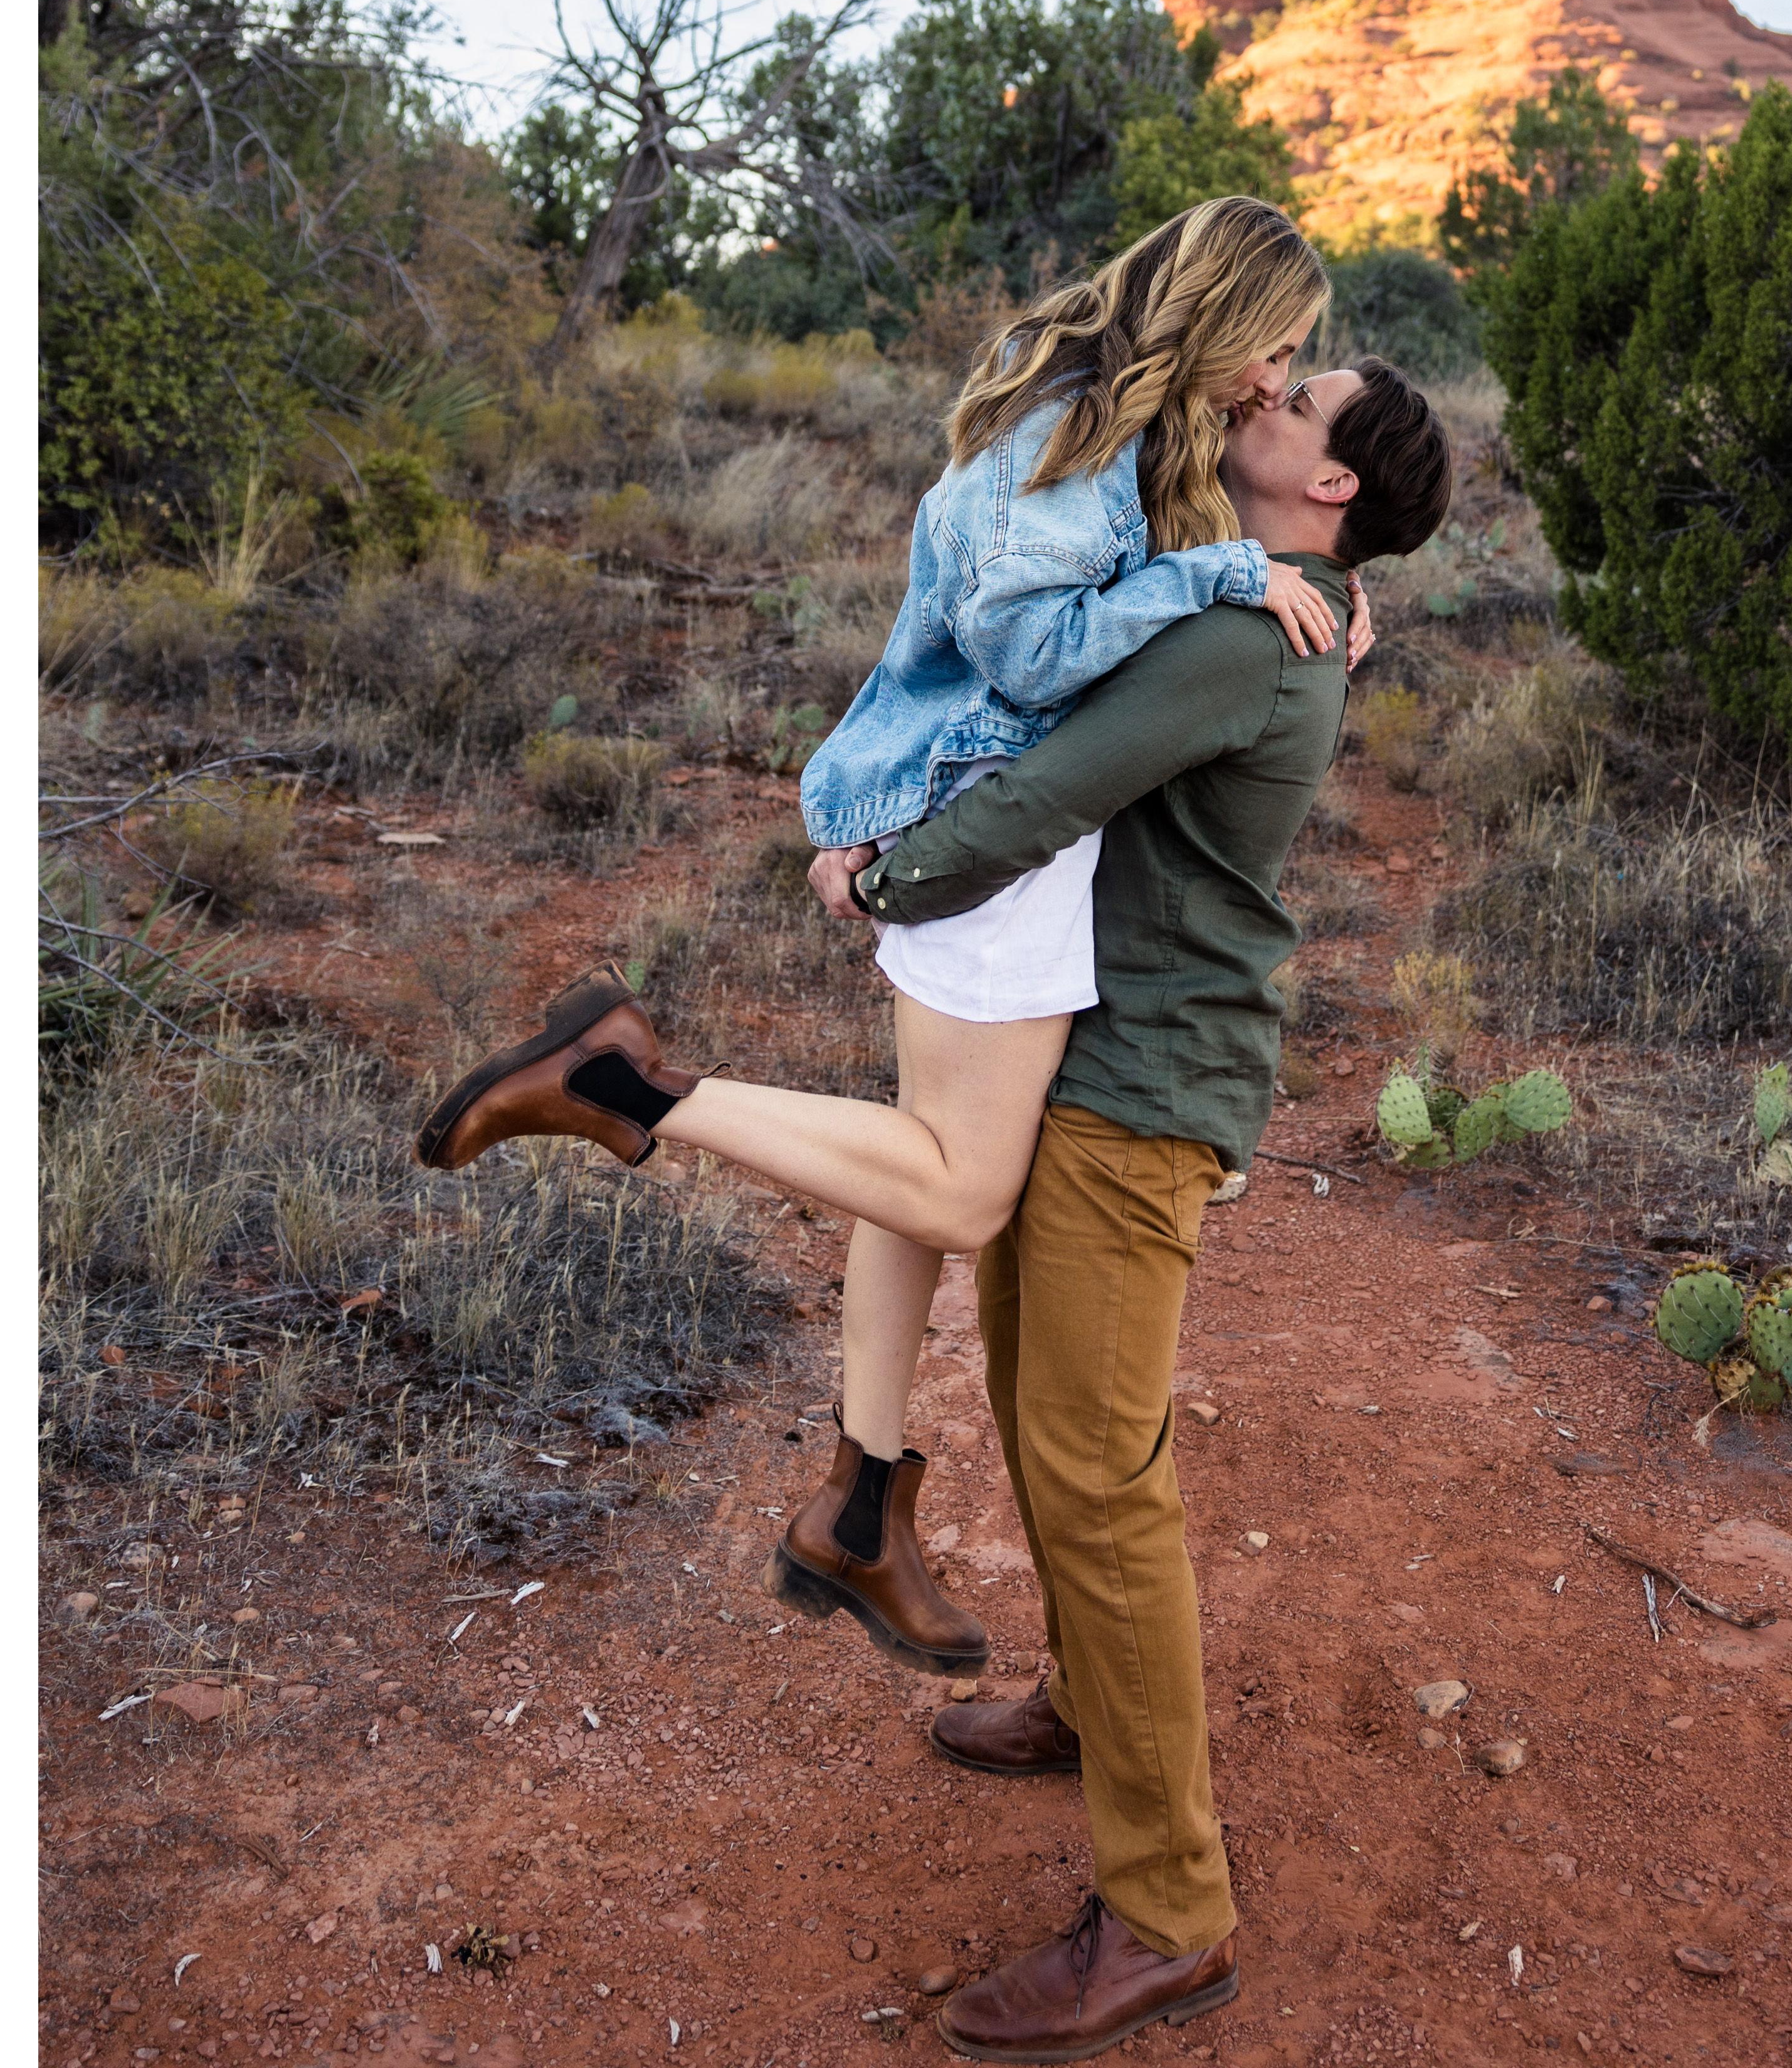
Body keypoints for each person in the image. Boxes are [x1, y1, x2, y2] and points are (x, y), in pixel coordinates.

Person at [421, 352, 1456, 2060]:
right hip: (1091, 1060)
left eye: (1297, 404)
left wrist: (884, 876)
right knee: (1052, 1428)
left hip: (1140, 1094)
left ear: (1331, 486)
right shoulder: (1262, 597)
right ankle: (1091, 1709)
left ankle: (1170, 1917)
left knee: (1099, 1477)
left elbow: (1050, 790)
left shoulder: (1243, 638)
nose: (1260, 400)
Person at [413, 195, 1371, 1675]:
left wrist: (1322, 579)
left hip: (957, 788)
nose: (1274, 380)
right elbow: (1034, 652)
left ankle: (860, 1507)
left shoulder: (1117, 416)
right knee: (960, 1191)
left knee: (912, 1167)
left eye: (1297, 373)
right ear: (1226, 317)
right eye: (1282, 351)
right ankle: (618, 1085)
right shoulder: (1084, 439)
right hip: (991, 815)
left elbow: (1181, 564)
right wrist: (1228, 576)